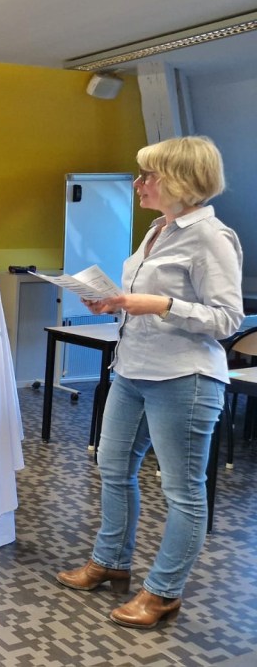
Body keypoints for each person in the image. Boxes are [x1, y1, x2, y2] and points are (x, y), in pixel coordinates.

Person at [56, 136, 243, 629]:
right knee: (113, 468)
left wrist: (161, 305)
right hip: (133, 370)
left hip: (184, 378)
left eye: (148, 176)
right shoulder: (158, 229)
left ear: (179, 180)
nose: (138, 184)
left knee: (183, 492)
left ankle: (163, 592)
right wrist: (114, 302)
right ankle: (110, 562)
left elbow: (227, 319)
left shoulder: (211, 237)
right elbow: (141, 300)